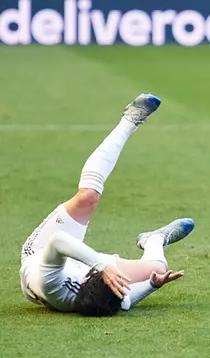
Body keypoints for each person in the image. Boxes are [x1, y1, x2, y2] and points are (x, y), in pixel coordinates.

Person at [19, 93, 195, 316]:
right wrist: (153, 284)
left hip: (41, 251)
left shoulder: (49, 282)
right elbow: (127, 300)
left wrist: (103, 266)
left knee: (88, 197)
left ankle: (130, 120)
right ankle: (154, 239)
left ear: (88, 279)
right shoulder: (111, 299)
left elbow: (58, 241)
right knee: (158, 269)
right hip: (93, 269)